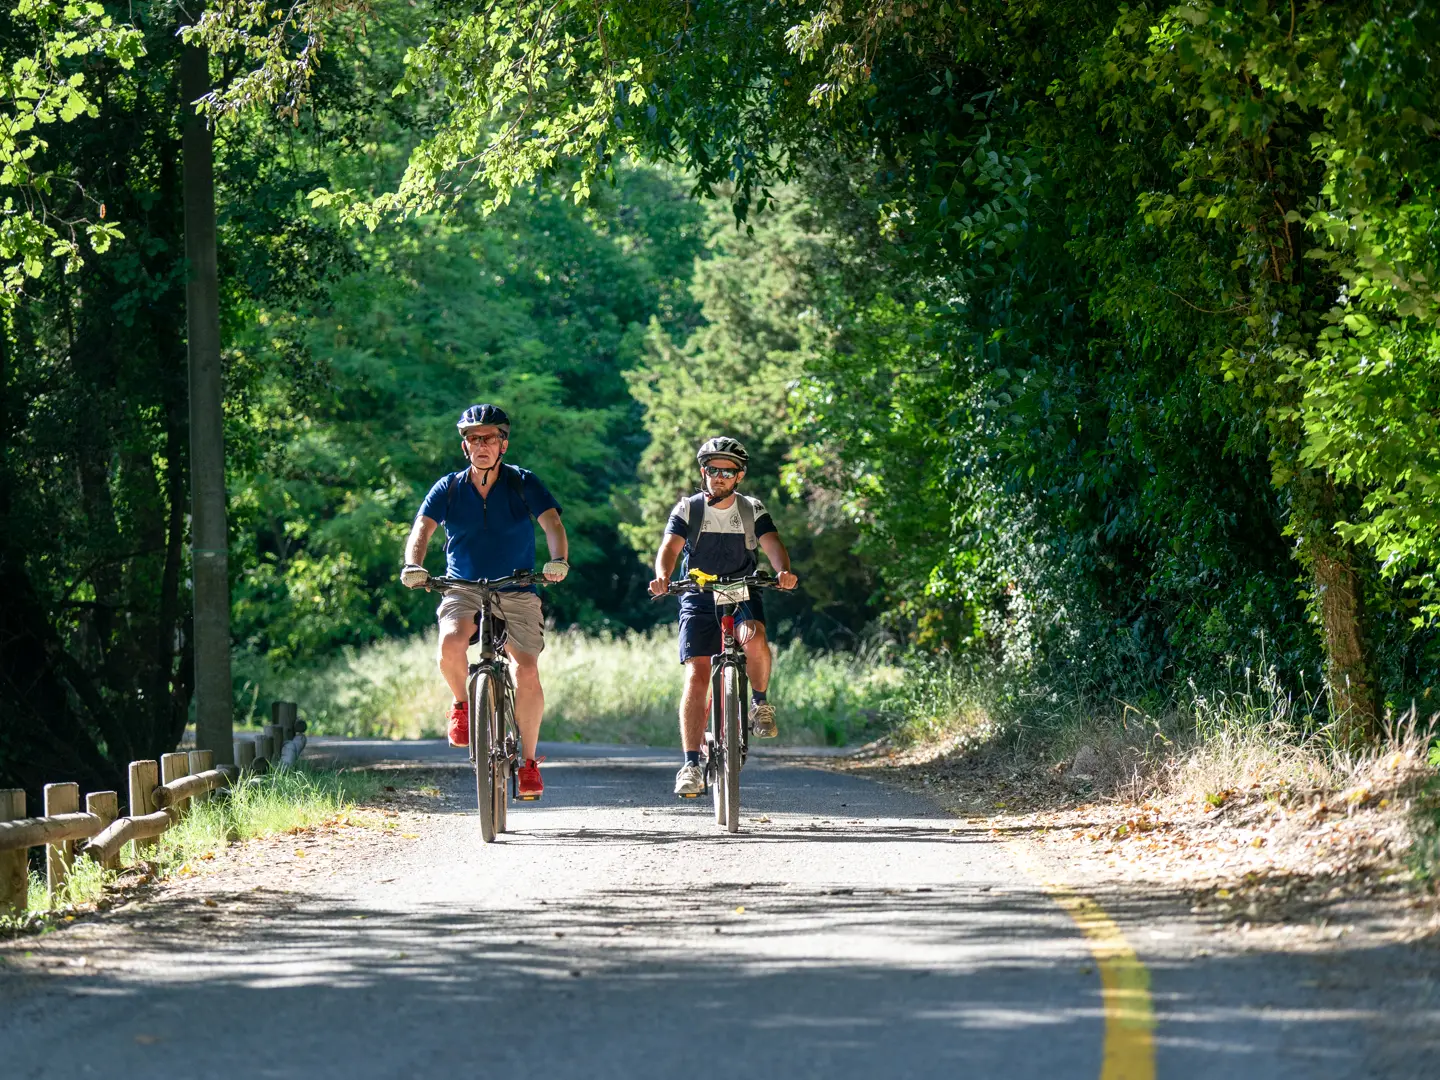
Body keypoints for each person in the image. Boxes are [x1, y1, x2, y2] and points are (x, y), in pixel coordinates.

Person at [400, 404, 569, 799]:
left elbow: (553, 526)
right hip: (462, 586)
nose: (481, 445)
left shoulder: (523, 482)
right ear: (465, 447)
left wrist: (558, 561)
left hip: (516, 585)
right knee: (450, 642)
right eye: (473, 438)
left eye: (489, 438)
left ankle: (528, 764)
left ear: (503, 444)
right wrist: (413, 564)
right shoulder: (449, 488)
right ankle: (462, 705)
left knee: (525, 669)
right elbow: (421, 530)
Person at [648, 436, 798, 797]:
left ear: (739, 476)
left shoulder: (751, 509)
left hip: (740, 590)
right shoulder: (689, 509)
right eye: (713, 469)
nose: (719, 476)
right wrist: (663, 576)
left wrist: (784, 571)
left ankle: (760, 704)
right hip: (697, 594)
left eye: (727, 471)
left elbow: (773, 544)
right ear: (704, 472)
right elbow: (668, 548)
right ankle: (690, 764)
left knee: (756, 639)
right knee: (697, 673)